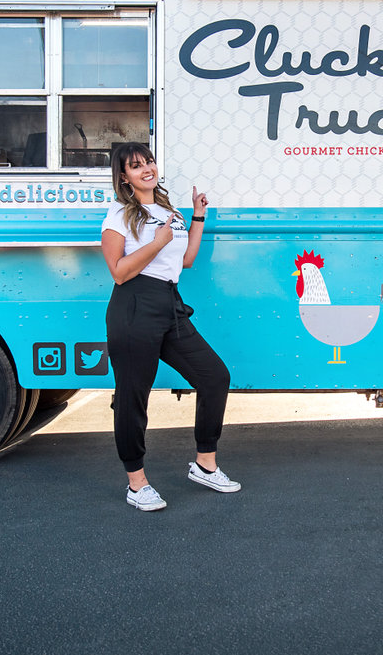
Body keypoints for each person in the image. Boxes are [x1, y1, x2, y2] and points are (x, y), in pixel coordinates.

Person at [101, 142, 240, 512]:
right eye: (136, 165)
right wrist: (156, 242)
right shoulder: (118, 216)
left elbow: (188, 260)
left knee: (214, 377)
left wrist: (197, 217)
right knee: (133, 397)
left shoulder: (168, 211)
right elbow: (118, 272)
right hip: (133, 307)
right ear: (124, 176)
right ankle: (137, 483)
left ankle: (205, 465)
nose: (147, 168)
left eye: (148, 161)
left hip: (169, 304)